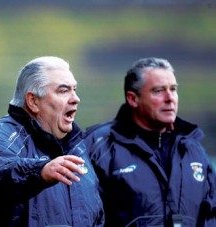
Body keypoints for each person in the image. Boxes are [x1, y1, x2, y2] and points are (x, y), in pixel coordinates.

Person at [0, 56, 104, 226]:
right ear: (33, 101)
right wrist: (39, 171)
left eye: (74, 89)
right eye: (63, 91)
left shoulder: (77, 148)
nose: (75, 98)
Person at [85, 57, 216, 226]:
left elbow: (211, 214)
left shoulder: (193, 149)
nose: (170, 98)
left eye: (173, 89)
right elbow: (82, 214)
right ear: (133, 99)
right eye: (158, 91)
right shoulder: (98, 146)